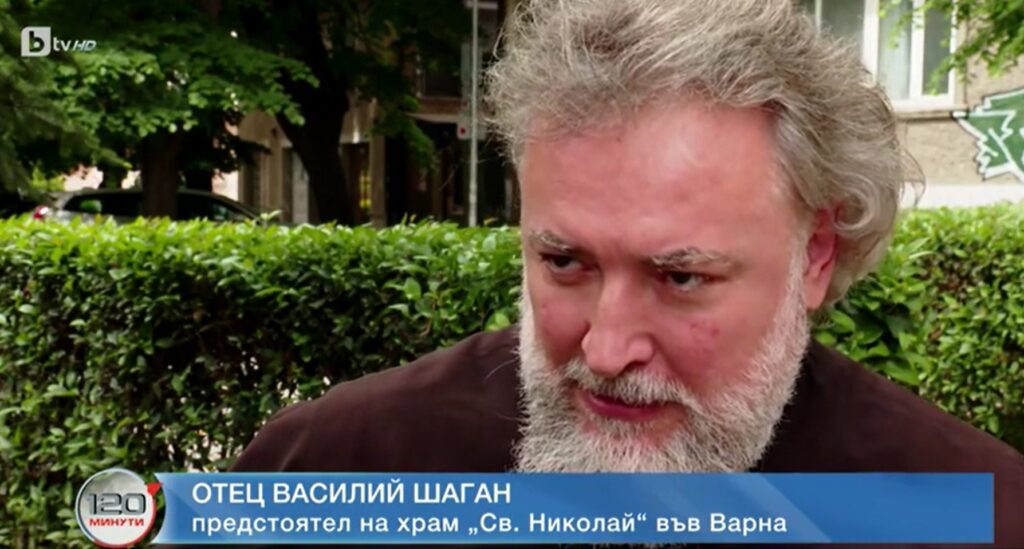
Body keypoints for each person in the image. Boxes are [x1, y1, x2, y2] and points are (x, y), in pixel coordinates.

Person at [230, 0, 1024, 547]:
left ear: (815, 253)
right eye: (564, 262)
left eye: (680, 277)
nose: (606, 350)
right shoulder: (327, 477)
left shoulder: (976, 516)